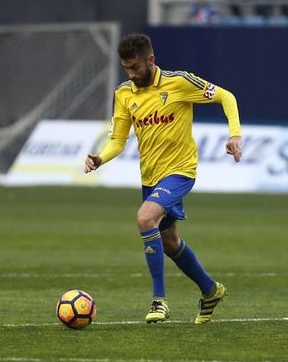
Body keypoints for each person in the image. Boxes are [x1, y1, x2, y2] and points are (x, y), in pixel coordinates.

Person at [84, 34, 242, 324]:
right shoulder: (124, 94)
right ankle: (210, 290)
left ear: (151, 60)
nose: (131, 74)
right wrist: (100, 158)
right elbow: (118, 140)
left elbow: (225, 96)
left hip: (180, 171)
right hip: (151, 178)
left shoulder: (179, 82)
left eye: (135, 67)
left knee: (145, 219)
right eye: (127, 69)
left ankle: (159, 301)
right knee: (169, 242)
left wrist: (235, 135)